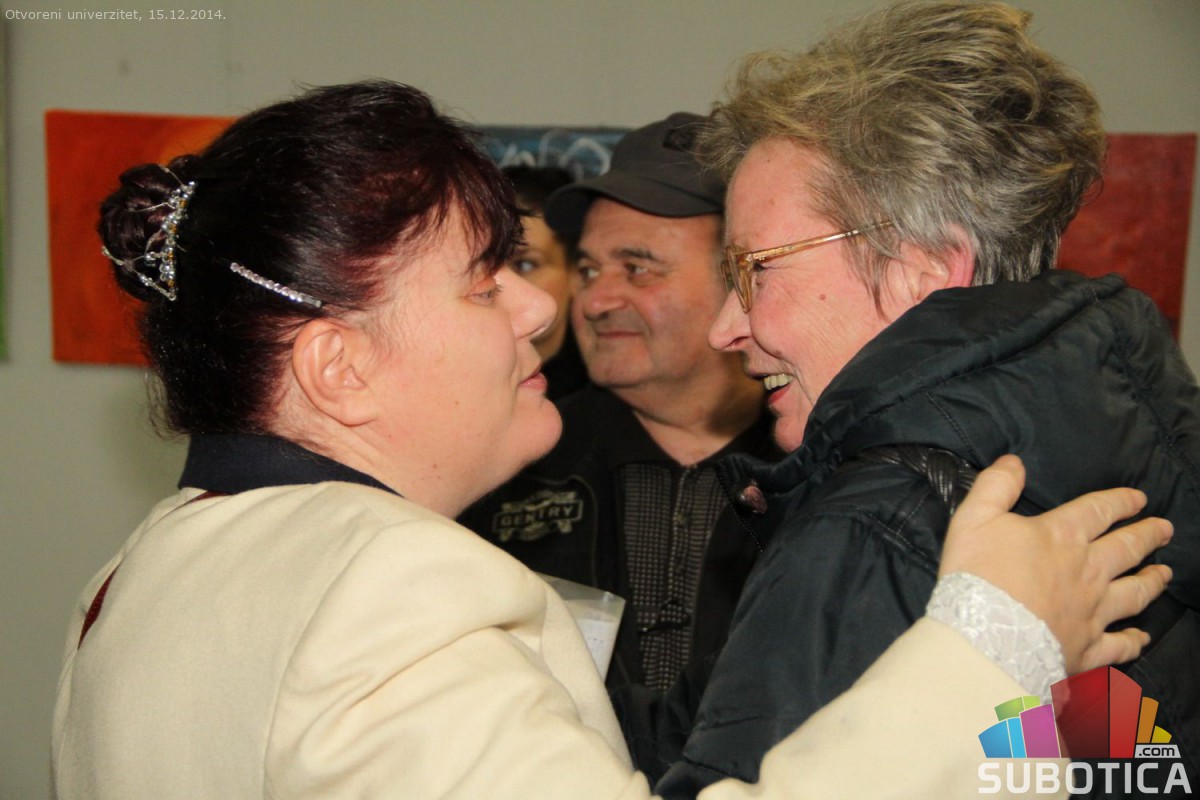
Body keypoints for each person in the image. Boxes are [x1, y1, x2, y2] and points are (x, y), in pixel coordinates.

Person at [51, 79, 1171, 800]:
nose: (543, 307)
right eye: (483, 281)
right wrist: (991, 642)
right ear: (338, 367)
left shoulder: (137, 572)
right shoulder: (379, 587)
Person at [654, 2, 1200, 795]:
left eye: (754, 270)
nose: (725, 328)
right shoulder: (1122, 439)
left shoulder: (877, 527)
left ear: (925, 273)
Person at [460, 113, 778, 694]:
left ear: (740, 281)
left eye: (637, 269)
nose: (594, 301)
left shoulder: (824, 470)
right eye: (588, 269)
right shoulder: (505, 467)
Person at [501, 164, 589, 399]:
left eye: (524, 265)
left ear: (577, 274)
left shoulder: (604, 393)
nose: (498, 284)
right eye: (484, 265)